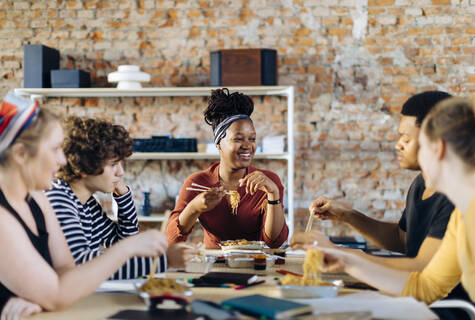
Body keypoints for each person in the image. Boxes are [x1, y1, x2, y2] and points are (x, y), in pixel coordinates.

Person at [0, 93, 169, 319]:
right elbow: (59, 291)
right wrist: (131, 250)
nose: (62, 160)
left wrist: (44, 298)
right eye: (54, 149)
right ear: (21, 154)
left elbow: (68, 275)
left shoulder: (38, 199)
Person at [310, 94, 475, 307]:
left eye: (417, 144)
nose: (399, 146)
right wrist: (345, 260)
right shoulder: (460, 217)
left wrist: (347, 257)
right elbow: (427, 286)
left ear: (439, 149)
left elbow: (421, 270)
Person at [294, 91, 454, 271]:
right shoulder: (420, 184)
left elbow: (422, 268)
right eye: (400, 136)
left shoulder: (454, 197)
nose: (398, 144)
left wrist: (342, 255)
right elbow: (402, 239)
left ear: (437, 142)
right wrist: (346, 215)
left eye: (407, 139)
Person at [46, 116, 194, 279]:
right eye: (113, 164)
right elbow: (80, 267)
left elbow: (120, 244)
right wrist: (162, 261)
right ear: (85, 165)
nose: (121, 172)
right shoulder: (59, 199)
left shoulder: (86, 203)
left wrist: (124, 199)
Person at [165, 88, 289, 249]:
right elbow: (170, 241)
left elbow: (275, 242)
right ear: (218, 144)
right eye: (238, 139)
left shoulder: (268, 182)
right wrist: (194, 208)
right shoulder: (197, 183)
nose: (247, 146)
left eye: (252, 139)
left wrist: (273, 194)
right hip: (215, 266)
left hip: (258, 265)